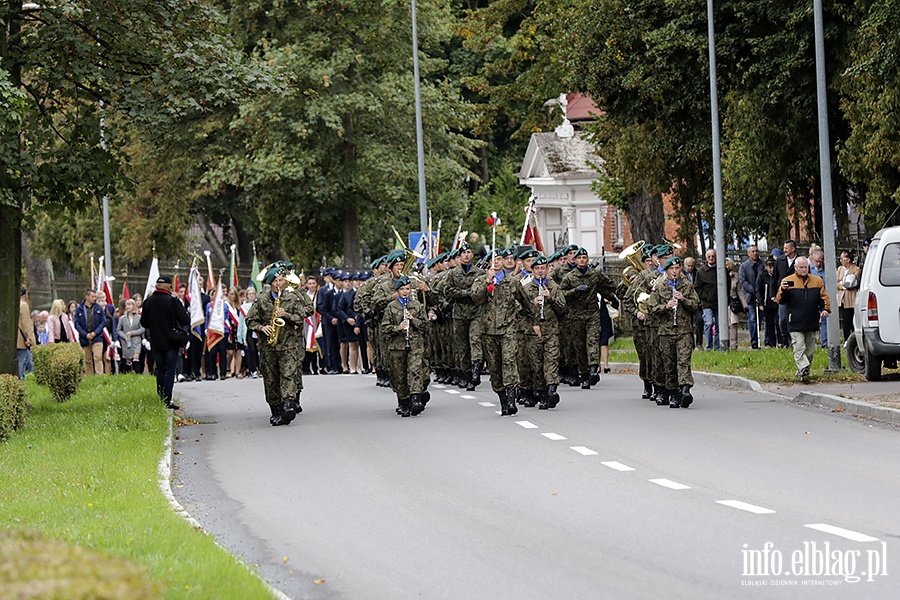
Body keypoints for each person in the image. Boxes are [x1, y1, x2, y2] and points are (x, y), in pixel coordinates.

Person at [245, 263, 314, 426]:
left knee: (288, 375)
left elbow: (301, 317)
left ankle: (289, 404)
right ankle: (275, 409)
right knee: (271, 379)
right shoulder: (261, 300)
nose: (279, 283)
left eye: (281, 280)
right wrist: (262, 327)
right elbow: (250, 320)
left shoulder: (291, 298)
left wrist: (287, 315)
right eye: (276, 280)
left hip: (288, 346)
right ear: (270, 283)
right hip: (268, 347)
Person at [560, 247, 618, 388]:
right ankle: (584, 374)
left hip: (592, 313)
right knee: (579, 345)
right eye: (579, 258)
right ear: (575, 260)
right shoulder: (569, 277)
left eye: (584, 257)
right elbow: (561, 295)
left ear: (587, 259)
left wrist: (613, 298)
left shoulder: (595, 274)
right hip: (575, 314)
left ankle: (593, 368)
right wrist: (575, 291)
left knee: (592, 341)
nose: (582, 260)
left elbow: (606, 286)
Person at [471, 248, 520, 415]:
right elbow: (476, 298)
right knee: (495, 367)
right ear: (489, 263)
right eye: (494, 259)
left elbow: (525, 302)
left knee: (509, 361)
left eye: (500, 258)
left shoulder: (512, 281)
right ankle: (503, 399)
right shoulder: (481, 281)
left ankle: (512, 398)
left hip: (508, 329)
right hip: (488, 331)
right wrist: (487, 281)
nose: (497, 262)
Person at [648, 256, 701, 408]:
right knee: (669, 364)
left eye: (677, 268)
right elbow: (651, 308)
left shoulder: (687, 285)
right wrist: (665, 307)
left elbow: (696, 304)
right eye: (671, 268)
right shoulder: (660, 286)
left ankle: (685, 389)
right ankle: (673, 392)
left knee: (683, 361)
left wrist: (684, 299)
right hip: (666, 332)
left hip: (684, 331)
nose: (675, 271)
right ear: (666, 270)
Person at [516, 254, 567, 409]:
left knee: (551, 362)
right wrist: (532, 304)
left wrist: (550, 298)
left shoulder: (554, 286)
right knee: (536, 365)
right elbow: (518, 310)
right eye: (537, 268)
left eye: (542, 268)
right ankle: (541, 391)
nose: (540, 271)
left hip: (551, 331)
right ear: (532, 270)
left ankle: (551, 390)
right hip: (533, 332)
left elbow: (563, 308)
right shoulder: (526, 287)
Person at [775, 257, 831, 382]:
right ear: (795, 268)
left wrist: (825, 309)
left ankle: (803, 371)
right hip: (795, 321)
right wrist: (783, 290)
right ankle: (803, 367)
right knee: (799, 347)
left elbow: (823, 297)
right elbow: (780, 300)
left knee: (810, 350)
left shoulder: (817, 281)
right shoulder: (788, 281)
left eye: (805, 267)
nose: (804, 269)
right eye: (801, 267)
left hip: (811, 320)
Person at [380, 276, 428, 417]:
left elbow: (425, 326)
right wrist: (398, 328)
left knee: (414, 371)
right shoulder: (391, 307)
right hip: (397, 346)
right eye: (402, 289)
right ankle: (403, 402)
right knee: (399, 375)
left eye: (407, 289)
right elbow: (385, 328)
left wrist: (413, 320)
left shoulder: (417, 306)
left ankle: (415, 399)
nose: (405, 292)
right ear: (398, 290)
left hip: (415, 344)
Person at [140, 276, 190, 408]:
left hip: (156, 340)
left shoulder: (148, 301)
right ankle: (167, 399)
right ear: (169, 286)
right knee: (170, 369)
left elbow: (143, 322)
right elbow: (185, 319)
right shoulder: (172, 301)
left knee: (160, 369)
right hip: (171, 340)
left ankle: (161, 396)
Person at [694, 249, 723, 351]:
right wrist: (706, 296)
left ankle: (718, 346)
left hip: (720, 302)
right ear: (706, 258)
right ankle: (709, 346)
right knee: (709, 323)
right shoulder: (701, 272)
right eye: (709, 256)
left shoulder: (721, 269)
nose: (711, 258)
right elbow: (697, 287)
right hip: (707, 303)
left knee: (719, 325)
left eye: (713, 256)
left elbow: (727, 283)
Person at [74, 289, 107, 376]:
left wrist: (95, 333)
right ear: (87, 297)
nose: (94, 298)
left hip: (97, 337)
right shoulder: (79, 309)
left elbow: (103, 322)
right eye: (92, 297)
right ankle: (89, 377)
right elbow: (76, 324)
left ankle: (99, 376)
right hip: (85, 338)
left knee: (98, 357)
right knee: (87, 359)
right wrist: (85, 334)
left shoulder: (98, 308)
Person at [772, 240, 799, 347]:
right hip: (782, 294)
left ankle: (794, 340)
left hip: (796, 294)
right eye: (784, 248)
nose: (784, 250)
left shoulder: (800, 260)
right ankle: (785, 337)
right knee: (782, 319)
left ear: (793, 249)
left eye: (786, 248)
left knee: (795, 318)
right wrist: (773, 294)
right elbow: (774, 278)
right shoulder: (779, 260)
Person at [738, 245, 762, 349]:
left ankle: (761, 338)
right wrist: (754, 290)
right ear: (748, 253)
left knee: (760, 318)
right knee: (752, 318)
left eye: (756, 251)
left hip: (761, 296)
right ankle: (754, 341)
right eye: (753, 251)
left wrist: (759, 292)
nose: (755, 253)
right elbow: (743, 281)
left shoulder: (762, 264)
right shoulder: (744, 266)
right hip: (750, 296)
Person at [836, 250, 861, 342]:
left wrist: (845, 283)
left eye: (842, 258)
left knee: (853, 321)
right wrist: (843, 285)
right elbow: (837, 282)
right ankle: (847, 340)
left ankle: (855, 340)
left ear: (848, 259)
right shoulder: (840, 269)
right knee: (845, 321)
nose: (840, 260)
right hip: (842, 299)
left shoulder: (856, 269)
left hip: (852, 299)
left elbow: (852, 282)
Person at [117, 298, 145, 373]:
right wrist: (124, 336)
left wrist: (132, 333)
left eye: (129, 305)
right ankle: (128, 374)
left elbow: (142, 329)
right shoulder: (122, 318)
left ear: (133, 306)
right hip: (126, 342)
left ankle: (137, 374)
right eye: (126, 305)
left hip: (136, 341)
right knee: (128, 360)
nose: (127, 307)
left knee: (136, 357)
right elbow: (118, 330)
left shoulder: (139, 317)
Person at [756, 257, 778, 348]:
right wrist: (760, 303)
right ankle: (769, 342)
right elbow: (758, 290)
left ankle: (780, 341)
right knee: (769, 324)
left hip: (777, 303)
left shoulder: (777, 275)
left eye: (773, 266)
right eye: (769, 266)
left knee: (778, 322)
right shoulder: (762, 276)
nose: (771, 268)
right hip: (766, 304)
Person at [682, 256, 704, 349]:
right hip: (686, 301)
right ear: (684, 265)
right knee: (688, 323)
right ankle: (691, 343)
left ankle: (699, 342)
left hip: (696, 301)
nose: (690, 268)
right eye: (688, 266)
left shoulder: (698, 273)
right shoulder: (681, 274)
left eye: (692, 265)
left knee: (699, 321)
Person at [809, 250, 828, 347]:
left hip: (823, 296)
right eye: (817, 261)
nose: (819, 263)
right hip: (811, 297)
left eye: (821, 261)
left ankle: (825, 342)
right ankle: (811, 342)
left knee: (824, 319)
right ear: (812, 260)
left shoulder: (826, 269)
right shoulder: (808, 269)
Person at [725, 258, 745, 350]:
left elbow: (739, 290)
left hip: (733, 301)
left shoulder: (735, 276)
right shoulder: (719, 275)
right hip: (723, 302)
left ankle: (734, 345)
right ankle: (723, 344)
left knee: (733, 324)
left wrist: (744, 304)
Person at [17, 288, 36, 379]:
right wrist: (31, 340)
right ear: (26, 295)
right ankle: (20, 382)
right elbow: (26, 324)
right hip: (21, 339)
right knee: (22, 361)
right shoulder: (23, 305)